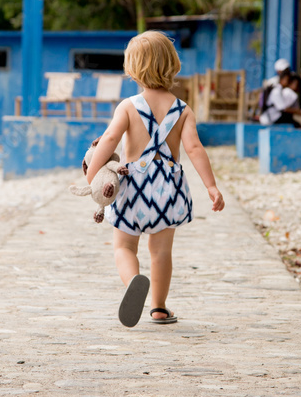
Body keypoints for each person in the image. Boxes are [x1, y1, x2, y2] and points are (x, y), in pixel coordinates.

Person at [86, 31, 225, 328]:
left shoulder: (128, 106)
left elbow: (110, 139)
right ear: (173, 65)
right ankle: (159, 308)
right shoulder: (183, 110)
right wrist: (211, 186)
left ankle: (133, 281)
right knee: (161, 251)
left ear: (132, 68)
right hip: (168, 189)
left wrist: (91, 174)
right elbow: (194, 149)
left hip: (133, 187)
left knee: (124, 246)